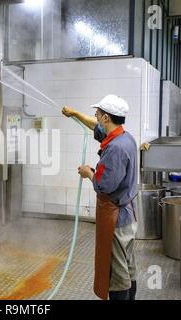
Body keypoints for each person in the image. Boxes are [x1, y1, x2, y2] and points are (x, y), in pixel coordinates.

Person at [62, 94, 138, 301]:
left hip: (117, 217)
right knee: (128, 265)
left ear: (106, 118)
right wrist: (75, 114)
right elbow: (96, 129)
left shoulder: (115, 148)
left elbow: (104, 186)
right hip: (128, 213)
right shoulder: (125, 137)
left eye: (98, 114)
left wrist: (88, 173)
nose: (95, 117)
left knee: (117, 274)